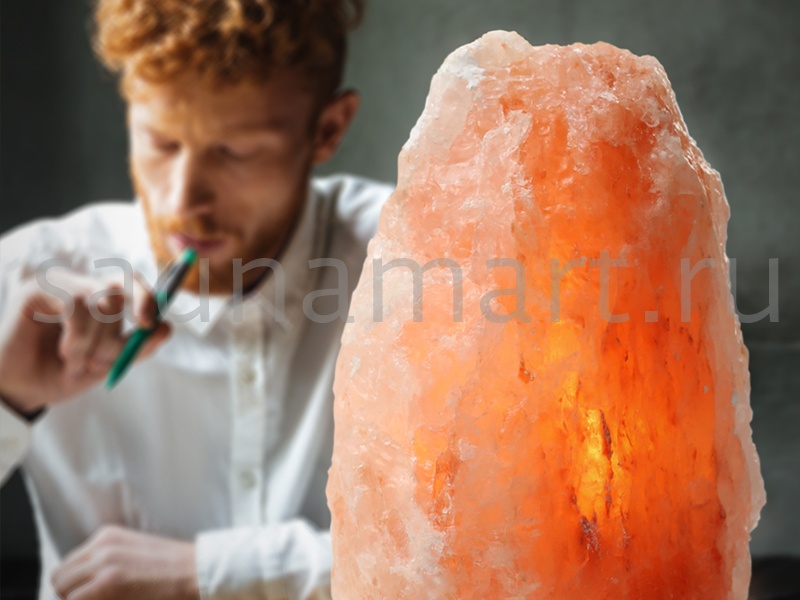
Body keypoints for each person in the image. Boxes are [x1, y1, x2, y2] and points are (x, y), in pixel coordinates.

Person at [0, 1, 393, 598]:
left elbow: (486, 545)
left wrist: (211, 573)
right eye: (160, 143)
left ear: (328, 129)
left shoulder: (417, 263)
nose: (183, 201)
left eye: (235, 152)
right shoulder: (30, 277)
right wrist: (7, 400)